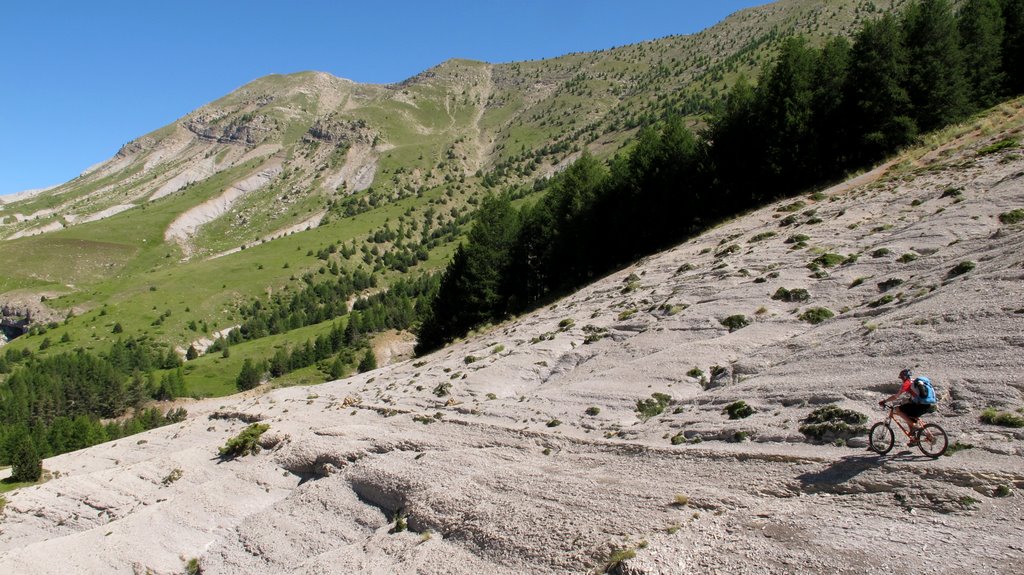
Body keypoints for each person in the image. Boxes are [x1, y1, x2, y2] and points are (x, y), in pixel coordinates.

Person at [879, 368, 933, 445]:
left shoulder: (907, 383)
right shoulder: (915, 382)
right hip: (927, 405)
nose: (902, 380)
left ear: (904, 377)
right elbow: (915, 396)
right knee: (908, 415)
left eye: (901, 378)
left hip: (920, 405)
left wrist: (884, 401)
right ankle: (914, 439)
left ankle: (915, 426)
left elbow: (895, 397)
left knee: (898, 409)